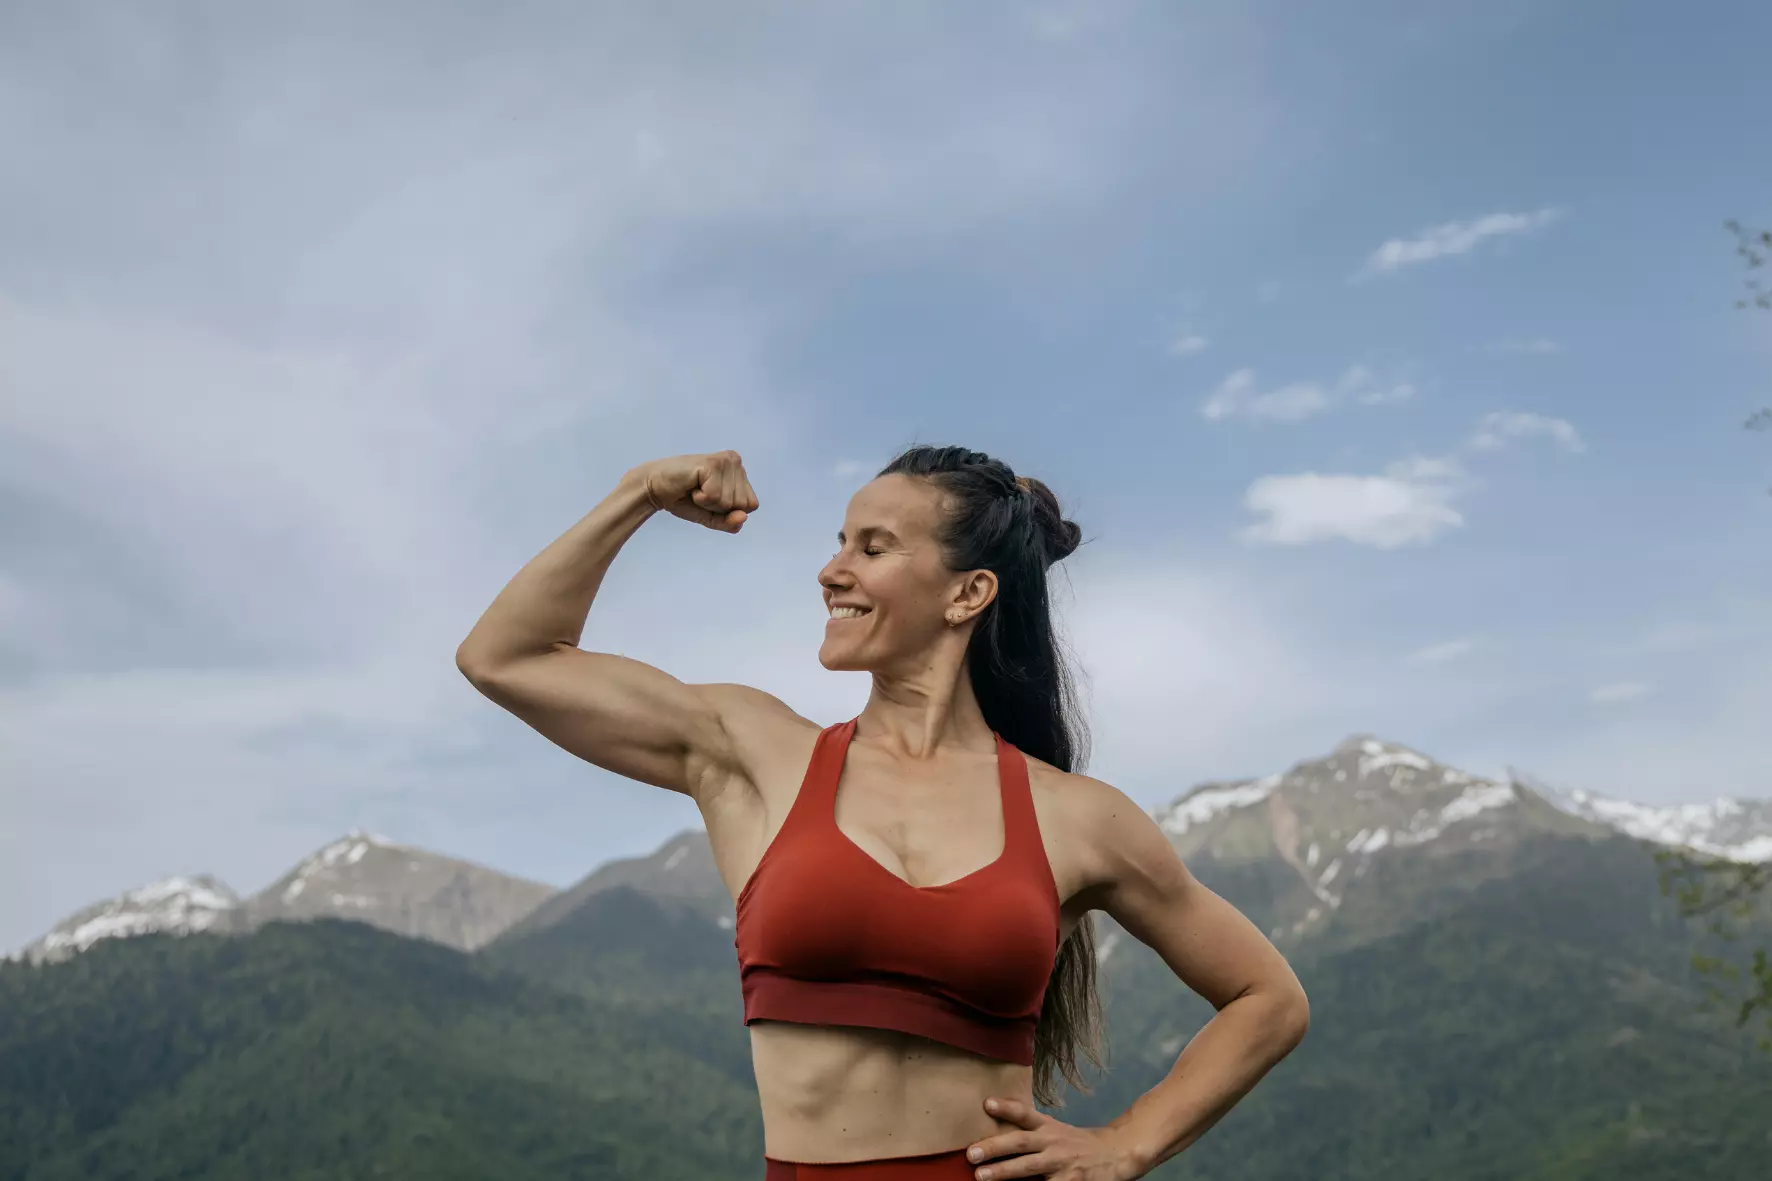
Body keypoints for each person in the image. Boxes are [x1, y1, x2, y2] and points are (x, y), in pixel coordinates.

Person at [455, 446, 1309, 1181]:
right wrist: (639, 491)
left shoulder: (1080, 819)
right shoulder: (752, 752)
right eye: (839, 543)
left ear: (967, 593)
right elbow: (505, 657)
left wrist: (1126, 1142)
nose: (832, 570)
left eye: (872, 546)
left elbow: (1266, 997)